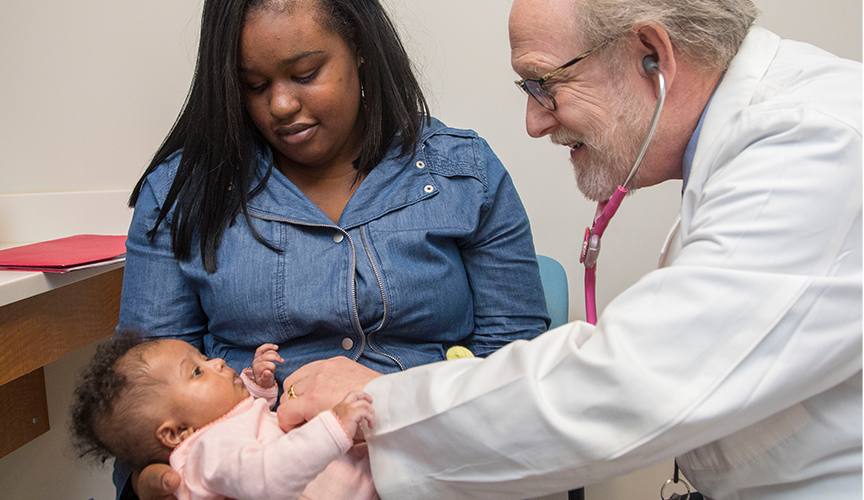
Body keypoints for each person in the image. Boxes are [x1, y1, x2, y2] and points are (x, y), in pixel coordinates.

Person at [263, 0, 859, 499]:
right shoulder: (758, 141)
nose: (533, 122)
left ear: (651, 54)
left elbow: (631, 385)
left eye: (544, 83)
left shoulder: (815, 145)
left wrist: (375, 405)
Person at [121, 0, 550, 497]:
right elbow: (142, 391)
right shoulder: (180, 194)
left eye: (305, 73)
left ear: (360, 47)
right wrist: (149, 478)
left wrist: (400, 412)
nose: (280, 105)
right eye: (253, 86)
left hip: (434, 468)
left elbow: (515, 367)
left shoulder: (463, 173)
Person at [71, 334, 379, 500]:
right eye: (196, 371)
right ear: (176, 433)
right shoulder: (210, 449)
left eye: (203, 358)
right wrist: (334, 424)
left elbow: (257, 426)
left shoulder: (218, 433)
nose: (217, 361)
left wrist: (259, 387)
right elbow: (266, 475)